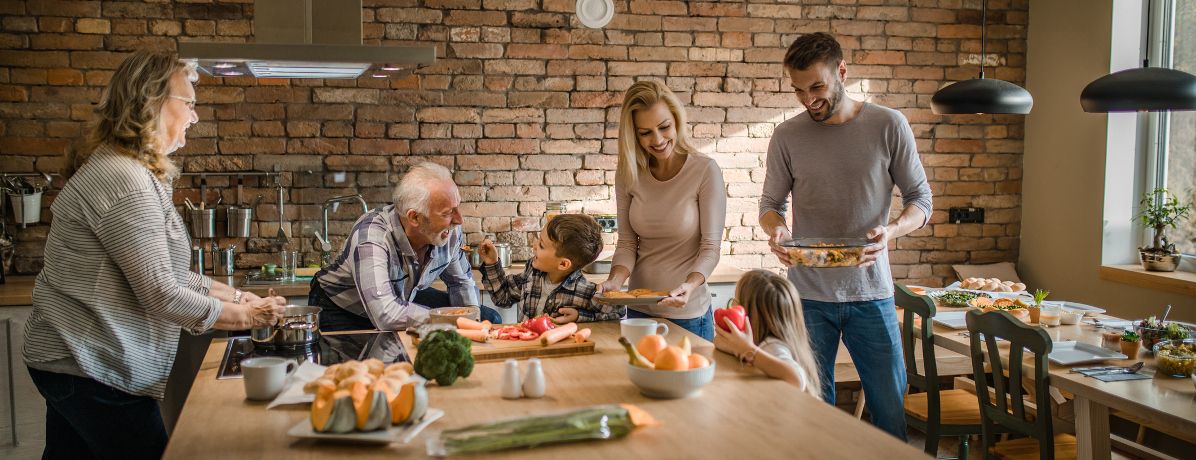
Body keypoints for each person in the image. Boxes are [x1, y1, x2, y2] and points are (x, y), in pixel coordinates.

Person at [22, 50, 286, 459]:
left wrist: (237, 298)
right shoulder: (125, 180)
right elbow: (161, 291)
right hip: (92, 367)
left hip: (71, 362)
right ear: (152, 100)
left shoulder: (131, 171)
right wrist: (247, 317)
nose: (195, 117)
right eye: (190, 103)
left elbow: (171, 272)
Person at [758, 32, 933, 440]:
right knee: (812, 415)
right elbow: (770, 204)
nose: (807, 99)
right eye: (798, 90)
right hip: (807, 297)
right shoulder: (787, 135)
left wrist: (890, 231)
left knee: (889, 414)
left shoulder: (889, 125)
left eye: (817, 87)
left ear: (842, 72)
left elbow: (921, 200)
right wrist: (777, 230)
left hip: (871, 294)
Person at [598, 80, 727, 341]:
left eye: (664, 127)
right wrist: (615, 281)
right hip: (638, 311)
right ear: (633, 134)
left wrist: (689, 286)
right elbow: (626, 243)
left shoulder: (704, 170)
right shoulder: (628, 173)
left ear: (677, 121)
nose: (657, 140)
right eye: (645, 132)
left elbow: (710, 247)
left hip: (687, 313)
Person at [310, 162, 489, 332]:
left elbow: (460, 282)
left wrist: (471, 318)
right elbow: (385, 314)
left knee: (491, 317)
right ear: (415, 218)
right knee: (378, 358)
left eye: (457, 207)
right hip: (342, 307)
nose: (459, 220)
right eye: (447, 213)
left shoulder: (448, 231)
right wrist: (448, 321)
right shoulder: (372, 236)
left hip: (400, 297)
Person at [479, 214, 625, 324]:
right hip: (526, 348)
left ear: (563, 264)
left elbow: (618, 312)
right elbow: (502, 297)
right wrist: (492, 262)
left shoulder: (585, 291)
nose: (534, 246)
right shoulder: (531, 274)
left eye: (541, 245)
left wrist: (580, 316)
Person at [713, 270, 822, 396]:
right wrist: (737, 346)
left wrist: (747, 350)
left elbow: (795, 378)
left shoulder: (771, 345)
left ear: (753, 314)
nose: (731, 308)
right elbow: (718, 342)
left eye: (736, 303)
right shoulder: (758, 341)